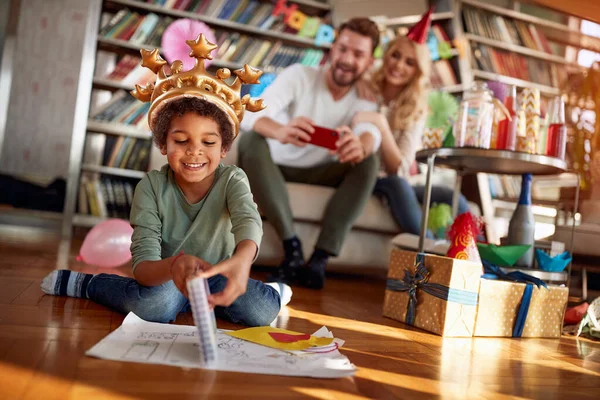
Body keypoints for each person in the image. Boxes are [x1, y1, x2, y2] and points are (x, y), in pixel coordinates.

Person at [40, 35, 291, 326]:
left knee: (261, 311)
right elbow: (143, 268)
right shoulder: (151, 187)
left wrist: (242, 261)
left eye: (208, 142)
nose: (194, 150)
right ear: (163, 144)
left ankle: (271, 291)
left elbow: (248, 221)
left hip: (216, 277)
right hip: (166, 279)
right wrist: (175, 265)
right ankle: (88, 284)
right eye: (181, 140)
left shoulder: (233, 178)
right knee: (155, 308)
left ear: (224, 149)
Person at [238, 17, 383, 290]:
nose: (347, 59)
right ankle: (291, 247)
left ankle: (320, 258)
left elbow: (371, 132)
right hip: (276, 166)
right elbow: (251, 113)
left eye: (358, 54)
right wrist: (280, 130)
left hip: (323, 170)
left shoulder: (367, 95)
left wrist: (360, 144)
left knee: (369, 160)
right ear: (332, 48)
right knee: (251, 141)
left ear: (369, 63)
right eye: (342, 49)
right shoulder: (300, 75)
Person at [352, 16, 469, 239]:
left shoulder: (416, 108)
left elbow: (401, 167)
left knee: (452, 197)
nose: (398, 65)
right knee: (396, 185)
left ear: (417, 71)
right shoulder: (365, 86)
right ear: (386, 55)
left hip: (394, 178)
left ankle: (468, 255)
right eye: (395, 56)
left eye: (409, 62)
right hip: (365, 175)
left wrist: (381, 124)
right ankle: (431, 250)